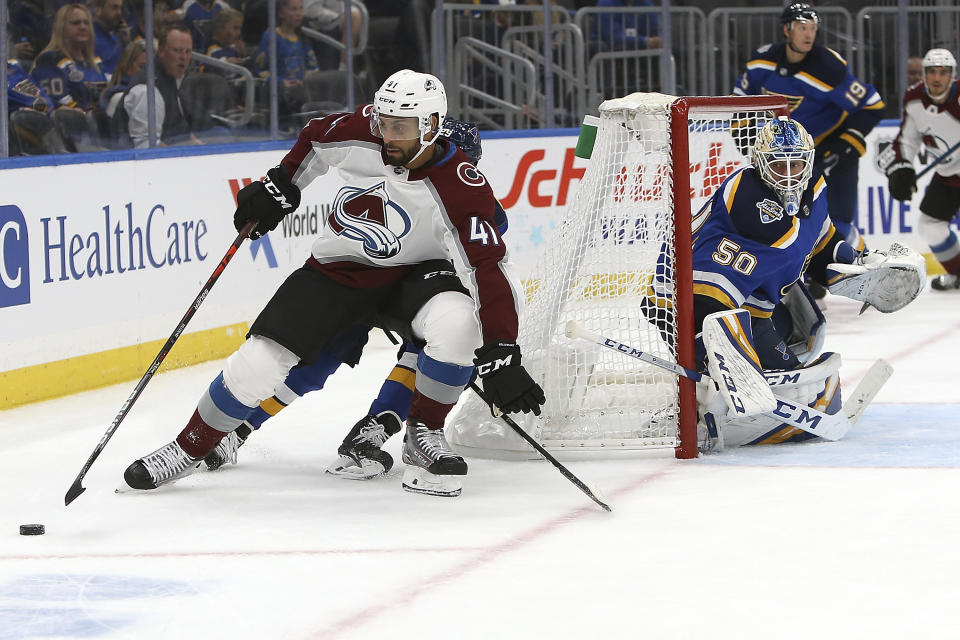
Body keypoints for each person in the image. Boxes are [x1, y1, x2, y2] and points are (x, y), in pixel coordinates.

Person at [121, 70, 544, 498]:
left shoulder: (462, 185)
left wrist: (503, 353)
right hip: (339, 271)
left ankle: (422, 436)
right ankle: (189, 446)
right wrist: (282, 182)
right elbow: (316, 136)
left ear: (431, 127)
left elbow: (487, 270)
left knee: (457, 324)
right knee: (261, 361)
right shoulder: (364, 132)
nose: (386, 135)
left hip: (418, 277)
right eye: (383, 122)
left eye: (400, 126)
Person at [201, 119, 505, 479]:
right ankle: (236, 429)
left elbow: (478, 268)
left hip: (416, 291)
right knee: (316, 361)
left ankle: (376, 430)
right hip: (360, 281)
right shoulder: (387, 177)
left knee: (434, 343)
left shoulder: (474, 203)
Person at [688, 117, 923, 449]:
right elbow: (792, 244)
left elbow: (822, 242)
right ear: (759, 162)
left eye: (795, 163)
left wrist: (857, 260)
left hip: (746, 305)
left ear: (808, 162)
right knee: (779, 377)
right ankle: (700, 401)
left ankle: (718, 393)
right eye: (777, 164)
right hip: (688, 296)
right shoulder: (747, 195)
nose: (788, 174)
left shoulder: (814, 186)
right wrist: (845, 272)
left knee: (800, 354)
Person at [732, 3, 885, 253]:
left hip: (829, 149)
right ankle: (808, 274)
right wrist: (744, 136)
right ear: (787, 30)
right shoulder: (762, 62)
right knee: (782, 220)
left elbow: (872, 105)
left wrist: (846, 145)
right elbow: (739, 101)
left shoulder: (827, 68)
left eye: (813, 28)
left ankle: (864, 264)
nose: (809, 34)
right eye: (802, 27)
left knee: (836, 224)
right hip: (784, 156)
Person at [885, 48, 960, 292]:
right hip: (948, 173)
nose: (938, 78)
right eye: (932, 72)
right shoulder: (914, 98)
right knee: (930, 226)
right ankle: (958, 273)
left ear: (952, 75)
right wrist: (901, 167)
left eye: (944, 72)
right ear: (924, 76)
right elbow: (908, 139)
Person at [115, 22, 196, 148]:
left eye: (188, 52)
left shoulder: (175, 81)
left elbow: (185, 133)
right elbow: (148, 146)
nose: (183, 57)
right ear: (162, 51)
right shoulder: (146, 90)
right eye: (178, 51)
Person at [29, 4, 108, 112]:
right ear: (61, 28)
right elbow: (57, 102)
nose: (83, 27)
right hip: (65, 124)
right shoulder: (49, 60)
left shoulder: (97, 63)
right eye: (76, 23)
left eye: (86, 23)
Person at [253, 0, 319, 117]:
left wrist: (305, 80)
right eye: (294, 9)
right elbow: (261, 70)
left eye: (300, 8)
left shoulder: (302, 36)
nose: (299, 13)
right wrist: (282, 82)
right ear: (281, 13)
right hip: (279, 93)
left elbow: (313, 67)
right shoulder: (271, 36)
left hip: (302, 89)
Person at [91, 0, 130, 77]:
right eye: (114, 7)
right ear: (97, 9)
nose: (119, 13)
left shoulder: (117, 40)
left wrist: (126, 44)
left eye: (120, 8)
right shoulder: (87, 40)